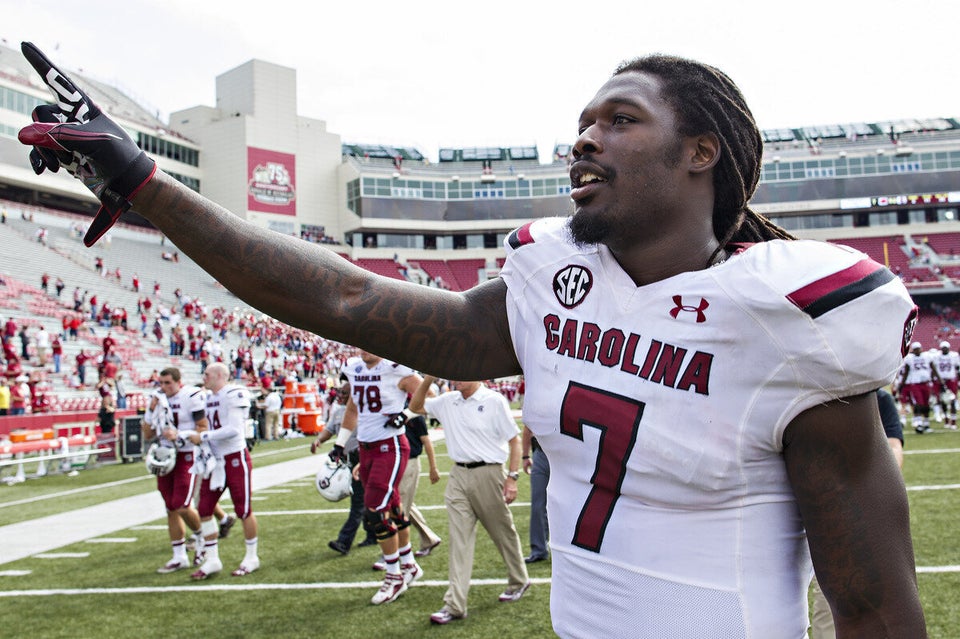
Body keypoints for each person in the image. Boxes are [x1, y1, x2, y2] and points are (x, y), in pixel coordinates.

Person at [18, 44, 927, 637]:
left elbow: (878, 610)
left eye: (620, 120)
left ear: (702, 151)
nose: (585, 140)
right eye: (582, 123)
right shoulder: (553, 287)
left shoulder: (786, 320)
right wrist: (144, 182)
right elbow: (340, 295)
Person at [409, 376, 530, 625]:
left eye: (462, 374)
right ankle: (454, 604)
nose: (455, 379)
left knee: (502, 533)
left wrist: (512, 477)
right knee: (459, 540)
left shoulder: (493, 401)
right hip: (457, 475)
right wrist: (428, 378)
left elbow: (514, 441)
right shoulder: (447, 400)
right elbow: (415, 407)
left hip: (490, 473)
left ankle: (519, 580)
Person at [809, 386, 906, 638]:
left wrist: (872, 485)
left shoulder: (877, 397)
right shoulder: (803, 391)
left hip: (839, 513)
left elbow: (894, 445)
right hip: (789, 507)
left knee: (833, 602)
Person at [332, 350, 425, 604]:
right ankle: (408, 564)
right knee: (393, 507)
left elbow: (427, 396)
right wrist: (340, 444)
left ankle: (394, 576)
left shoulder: (395, 368)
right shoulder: (354, 368)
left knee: (374, 510)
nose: (363, 348)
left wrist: (405, 415)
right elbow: (352, 408)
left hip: (390, 445)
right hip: (366, 447)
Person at [186, 363, 260, 579]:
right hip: (215, 461)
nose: (204, 377)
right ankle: (212, 559)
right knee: (205, 508)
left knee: (243, 509)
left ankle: (251, 557)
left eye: (207, 374)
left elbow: (234, 430)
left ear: (219, 375)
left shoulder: (233, 393)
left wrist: (204, 437)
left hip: (235, 457)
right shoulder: (207, 397)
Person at [141, 367, 208, 573]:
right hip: (166, 455)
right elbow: (147, 434)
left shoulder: (191, 397)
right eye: (161, 383)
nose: (164, 387)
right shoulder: (157, 400)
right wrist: (151, 411)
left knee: (182, 505)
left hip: (187, 454)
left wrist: (180, 434)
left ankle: (201, 538)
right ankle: (179, 556)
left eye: (168, 383)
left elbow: (203, 428)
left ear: (179, 382)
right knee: (170, 507)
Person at [310, 381, 378, 554]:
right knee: (364, 498)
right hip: (348, 459)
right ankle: (372, 534)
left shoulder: (364, 412)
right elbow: (330, 429)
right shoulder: (339, 412)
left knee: (358, 501)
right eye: (340, 392)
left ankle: (344, 541)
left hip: (362, 457)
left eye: (344, 393)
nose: (340, 396)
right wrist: (319, 440)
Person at [399, 411, 442, 558]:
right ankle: (429, 539)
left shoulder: (413, 415)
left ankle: (396, 551)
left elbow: (426, 441)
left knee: (400, 508)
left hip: (409, 462)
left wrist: (433, 467)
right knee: (404, 505)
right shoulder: (390, 409)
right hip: (395, 462)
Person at [521, 423, 550, 564]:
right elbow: (528, 427)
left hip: (565, 455)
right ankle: (539, 549)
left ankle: (571, 550)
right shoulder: (536, 401)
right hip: (541, 453)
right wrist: (525, 456)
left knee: (570, 504)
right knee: (538, 504)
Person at [898, 341, 941, 433]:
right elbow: (906, 372)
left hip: (926, 383)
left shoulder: (927, 356)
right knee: (918, 404)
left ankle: (926, 424)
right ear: (913, 350)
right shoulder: (910, 358)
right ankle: (918, 423)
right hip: (915, 384)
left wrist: (939, 379)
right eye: (915, 349)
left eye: (918, 349)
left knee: (926, 404)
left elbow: (933, 368)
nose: (917, 351)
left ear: (921, 348)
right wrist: (902, 384)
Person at [932, 340, 960, 429]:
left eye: (946, 348)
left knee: (952, 400)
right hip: (940, 381)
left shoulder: (954, 356)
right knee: (942, 401)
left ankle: (953, 421)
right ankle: (946, 419)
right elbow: (934, 369)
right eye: (943, 348)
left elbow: (957, 368)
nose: (944, 349)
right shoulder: (936, 356)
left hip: (951, 380)